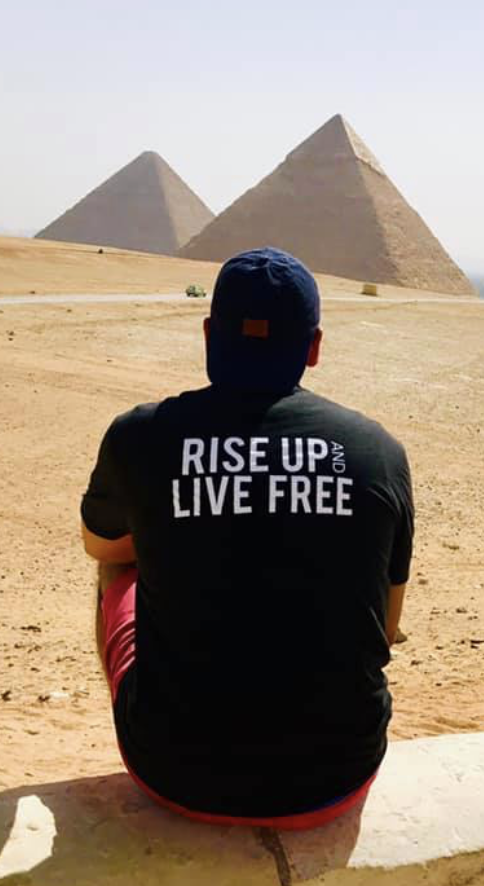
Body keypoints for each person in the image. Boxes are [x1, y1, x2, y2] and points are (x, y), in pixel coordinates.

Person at [80, 248, 414, 829]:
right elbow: (384, 630)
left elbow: (99, 546)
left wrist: (188, 525)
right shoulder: (378, 451)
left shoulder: (140, 435)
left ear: (209, 335)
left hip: (173, 773)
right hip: (338, 774)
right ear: (313, 347)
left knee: (123, 561)